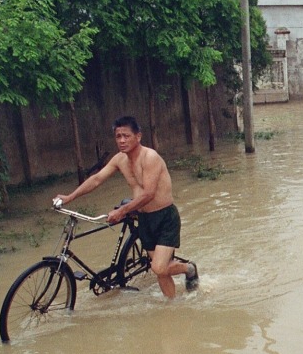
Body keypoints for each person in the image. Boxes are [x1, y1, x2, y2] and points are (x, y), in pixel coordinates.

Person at [54, 116, 199, 298]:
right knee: (160, 271)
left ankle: (189, 268)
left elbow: (149, 194)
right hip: (144, 219)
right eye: (118, 136)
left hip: (164, 217)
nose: (122, 140)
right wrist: (69, 197)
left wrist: (122, 211)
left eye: (126, 136)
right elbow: (97, 179)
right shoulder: (119, 159)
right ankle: (172, 307)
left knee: (159, 267)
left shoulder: (150, 157)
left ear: (138, 137)